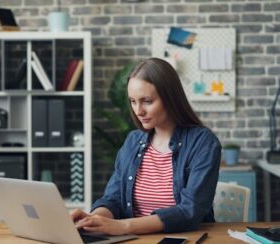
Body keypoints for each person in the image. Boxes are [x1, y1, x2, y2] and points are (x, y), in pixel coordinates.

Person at [72, 57, 221, 234]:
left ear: (170, 98)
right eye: (133, 101)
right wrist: (94, 219)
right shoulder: (133, 141)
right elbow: (114, 199)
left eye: (147, 101)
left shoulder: (202, 142)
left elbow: (190, 211)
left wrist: (123, 226)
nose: (138, 111)